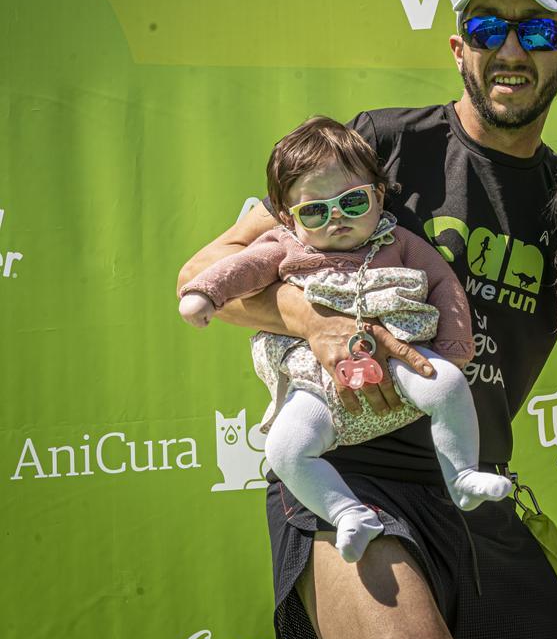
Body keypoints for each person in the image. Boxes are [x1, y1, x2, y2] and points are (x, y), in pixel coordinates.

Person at [177, 0, 557, 639]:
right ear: (460, 47)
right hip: (347, 476)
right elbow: (203, 273)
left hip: (473, 488)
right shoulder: (382, 143)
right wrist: (312, 321)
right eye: (490, 27)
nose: (512, 49)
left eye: (538, 30)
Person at [178, 116, 512, 563]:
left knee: (448, 383)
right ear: (286, 218)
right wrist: (205, 293)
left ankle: (463, 476)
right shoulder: (286, 246)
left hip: (400, 365)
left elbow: (443, 284)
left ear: (377, 195)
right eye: (314, 211)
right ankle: (347, 512)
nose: (336, 219)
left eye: (352, 202)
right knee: (284, 450)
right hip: (317, 387)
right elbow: (240, 269)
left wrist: (453, 348)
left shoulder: (398, 241)